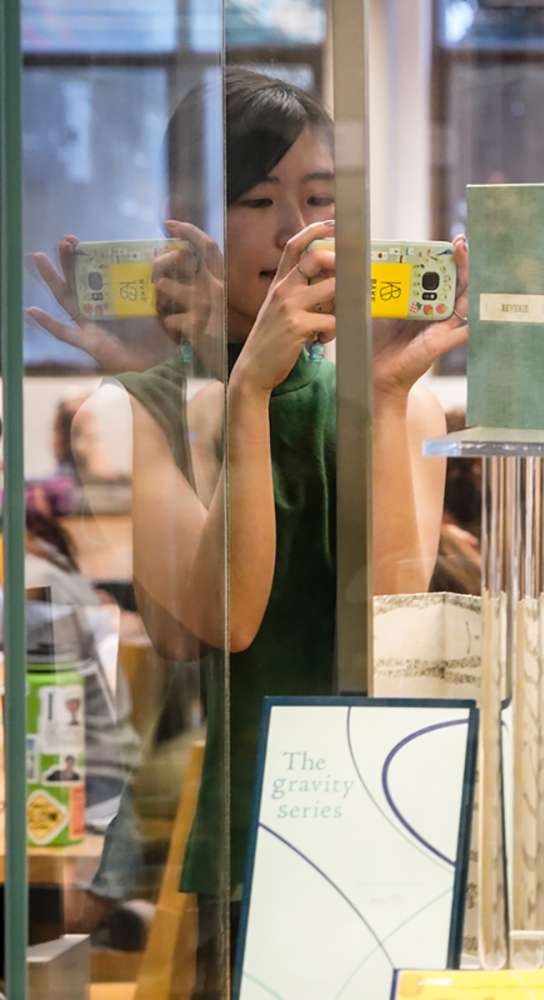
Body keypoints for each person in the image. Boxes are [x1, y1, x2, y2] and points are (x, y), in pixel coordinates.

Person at [30, 67, 463, 986]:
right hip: (237, 836)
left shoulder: (393, 398)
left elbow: (389, 622)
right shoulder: (149, 407)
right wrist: (248, 394)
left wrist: (383, 397)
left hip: (393, 822)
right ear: (185, 225)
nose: (293, 229)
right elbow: (217, 625)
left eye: (320, 198)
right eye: (256, 200)